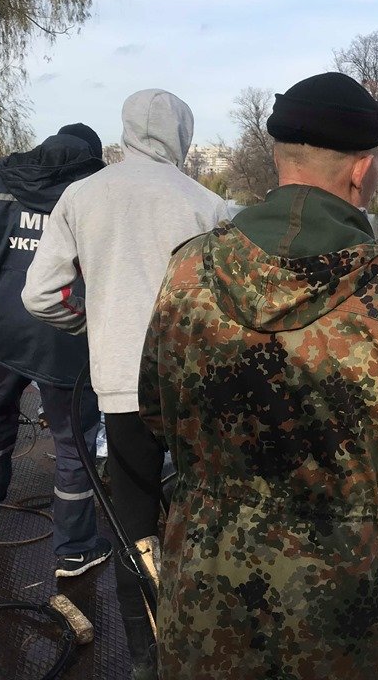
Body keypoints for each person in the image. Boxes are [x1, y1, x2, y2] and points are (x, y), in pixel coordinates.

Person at [136, 72, 378, 679]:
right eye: (375, 162)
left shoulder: (187, 271)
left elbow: (155, 414)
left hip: (207, 595)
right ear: (360, 170)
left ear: (279, 157)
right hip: (349, 611)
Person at [22, 90, 230, 680]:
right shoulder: (209, 205)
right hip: (193, 392)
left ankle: (147, 659)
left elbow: (39, 294)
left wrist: (87, 322)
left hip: (118, 388)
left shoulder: (81, 196)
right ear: (182, 137)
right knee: (204, 522)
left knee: (133, 529)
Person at [0, 124, 111, 578]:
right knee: (73, 437)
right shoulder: (96, 187)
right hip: (64, 327)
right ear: (92, 155)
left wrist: (2, 262)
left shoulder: (3, 176)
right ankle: (75, 548)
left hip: (2, 324)